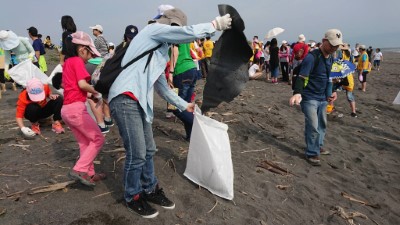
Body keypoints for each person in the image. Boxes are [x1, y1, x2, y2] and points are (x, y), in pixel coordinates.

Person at [107, 7, 231, 218]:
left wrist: (184, 105)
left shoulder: (161, 50)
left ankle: (149, 188)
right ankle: (132, 196)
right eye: (173, 28)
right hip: (125, 97)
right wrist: (213, 25)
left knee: (149, 150)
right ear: (166, 23)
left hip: (140, 102)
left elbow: (162, 87)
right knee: (136, 153)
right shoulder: (152, 30)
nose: (174, 33)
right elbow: (186, 33)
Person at [289, 29, 343, 166]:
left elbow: (329, 78)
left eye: (336, 46)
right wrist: (297, 93)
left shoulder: (331, 57)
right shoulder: (311, 57)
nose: (334, 48)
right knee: (313, 125)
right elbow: (302, 76)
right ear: (324, 41)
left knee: (322, 123)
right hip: (309, 97)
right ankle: (312, 153)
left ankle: (318, 145)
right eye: (331, 45)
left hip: (323, 98)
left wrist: (332, 92)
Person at [61, 31, 106, 187]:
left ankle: (90, 174)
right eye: (89, 53)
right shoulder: (78, 62)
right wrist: (97, 92)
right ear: (82, 48)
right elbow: (82, 84)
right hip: (76, 110)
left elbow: (72, 87)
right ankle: (79, 169)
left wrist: (89, 95)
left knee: (85, 143)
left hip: (66, 109)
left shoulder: (67, 62)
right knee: (98, 138)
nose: (90, 57)